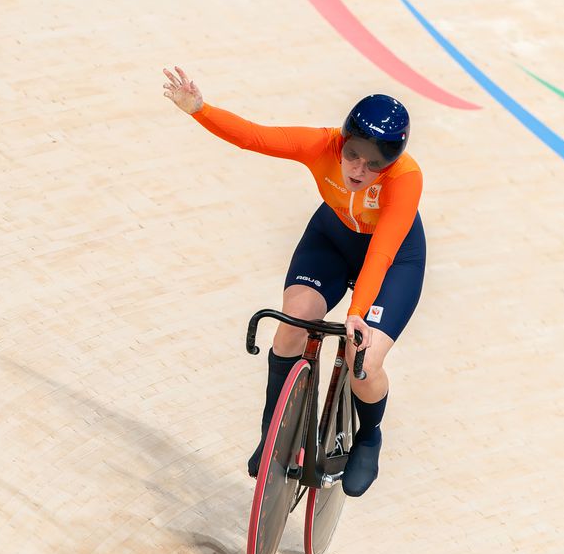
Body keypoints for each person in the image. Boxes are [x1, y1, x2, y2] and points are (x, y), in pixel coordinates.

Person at [162, 66, 426, 497]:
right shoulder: (321, 144)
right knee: (293, 324)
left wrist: (357, 314)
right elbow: (255, 136)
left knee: (364, 359)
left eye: (376, 163)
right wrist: (199, 109)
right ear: (343, 142)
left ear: (392, 162)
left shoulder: (406, 179)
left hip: (394, 258)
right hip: (333, 239)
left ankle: (369, 434)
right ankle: (273, 437)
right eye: (354, 154)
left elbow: (381, 252)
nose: (360, 169)